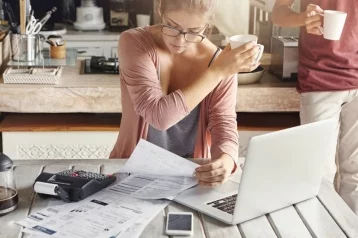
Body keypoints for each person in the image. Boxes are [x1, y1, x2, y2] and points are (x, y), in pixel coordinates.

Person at [110, 0, 261, 187]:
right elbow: (158, 117)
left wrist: (227, 160)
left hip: (192, 177)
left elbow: (223, 122)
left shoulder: (219, 61)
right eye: (172, 26)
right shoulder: (134, 42)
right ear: (160, 12)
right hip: (132, 173)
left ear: (207, 25)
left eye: (194, 31)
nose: (180, 41)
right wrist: (217, 72)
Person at [272, 1, 358, 215]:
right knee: (318, 176)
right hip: (320, 79)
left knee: (356, 175)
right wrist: (303, 18)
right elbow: (278, 13)